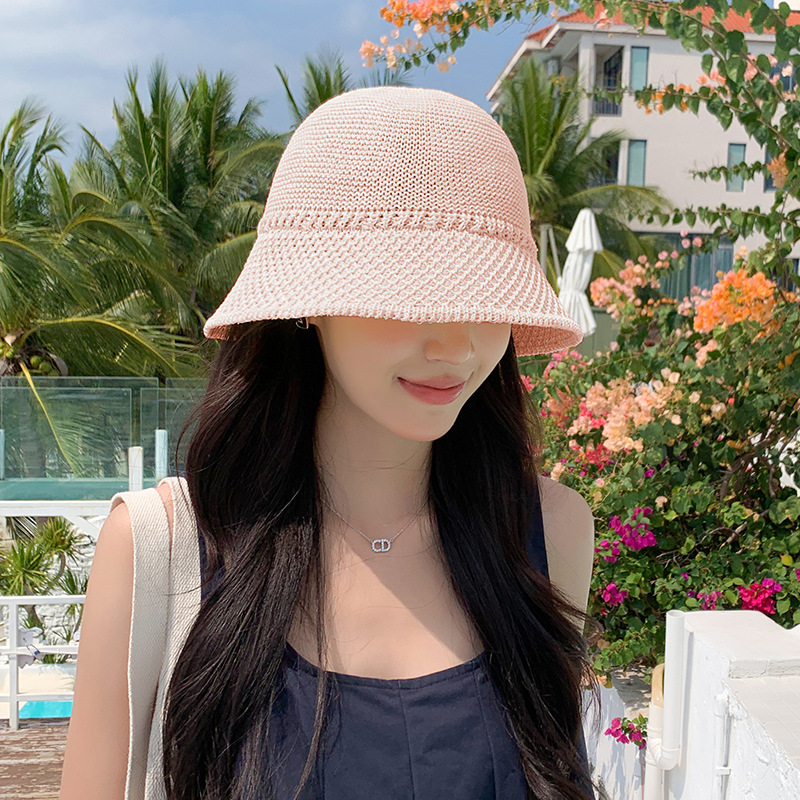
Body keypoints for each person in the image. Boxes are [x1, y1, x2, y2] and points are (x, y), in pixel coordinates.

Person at [60, 86, 597, 800]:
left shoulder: (548, 533)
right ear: (311, 303)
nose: (457, 345)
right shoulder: (163, 551)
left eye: (486, 296)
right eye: (408, 292)